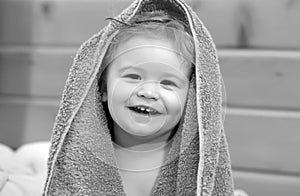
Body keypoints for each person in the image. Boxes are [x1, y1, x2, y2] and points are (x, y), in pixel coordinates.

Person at [43, 0, 234, 195]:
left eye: (168, 83)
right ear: (103, 89)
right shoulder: (79, 161)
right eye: (133, 77)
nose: (148, 92)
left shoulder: (193, 168)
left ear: (192, 102)